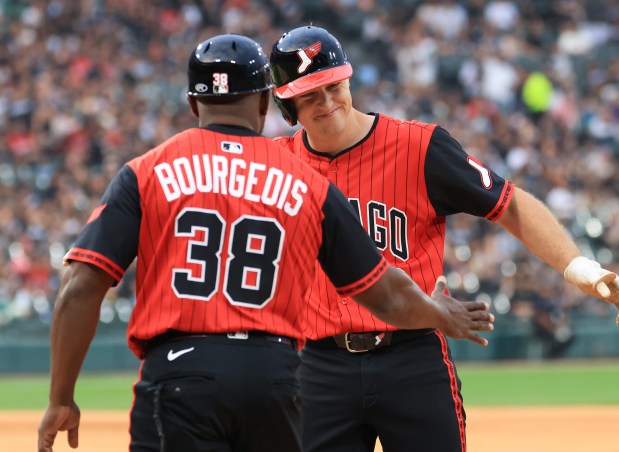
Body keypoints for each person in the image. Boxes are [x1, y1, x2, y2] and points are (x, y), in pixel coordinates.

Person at [37, 34, 495, 452]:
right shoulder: (305, 181)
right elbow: (384, 294)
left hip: (180, 370)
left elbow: (80, 286)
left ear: (195, 105)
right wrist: (440, 313)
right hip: (274, 374)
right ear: (264, 103)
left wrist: (61, 397)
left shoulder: (148, 170)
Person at [268, 25, 619, 452]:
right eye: (309, 94)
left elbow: (510, 204)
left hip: (413, 354)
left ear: (348, 80)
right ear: (287, 105)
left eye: (333, 85)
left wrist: (576, 265)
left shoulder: (419, 146)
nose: (327, 102)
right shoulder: (275, 168)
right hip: (319, 365)